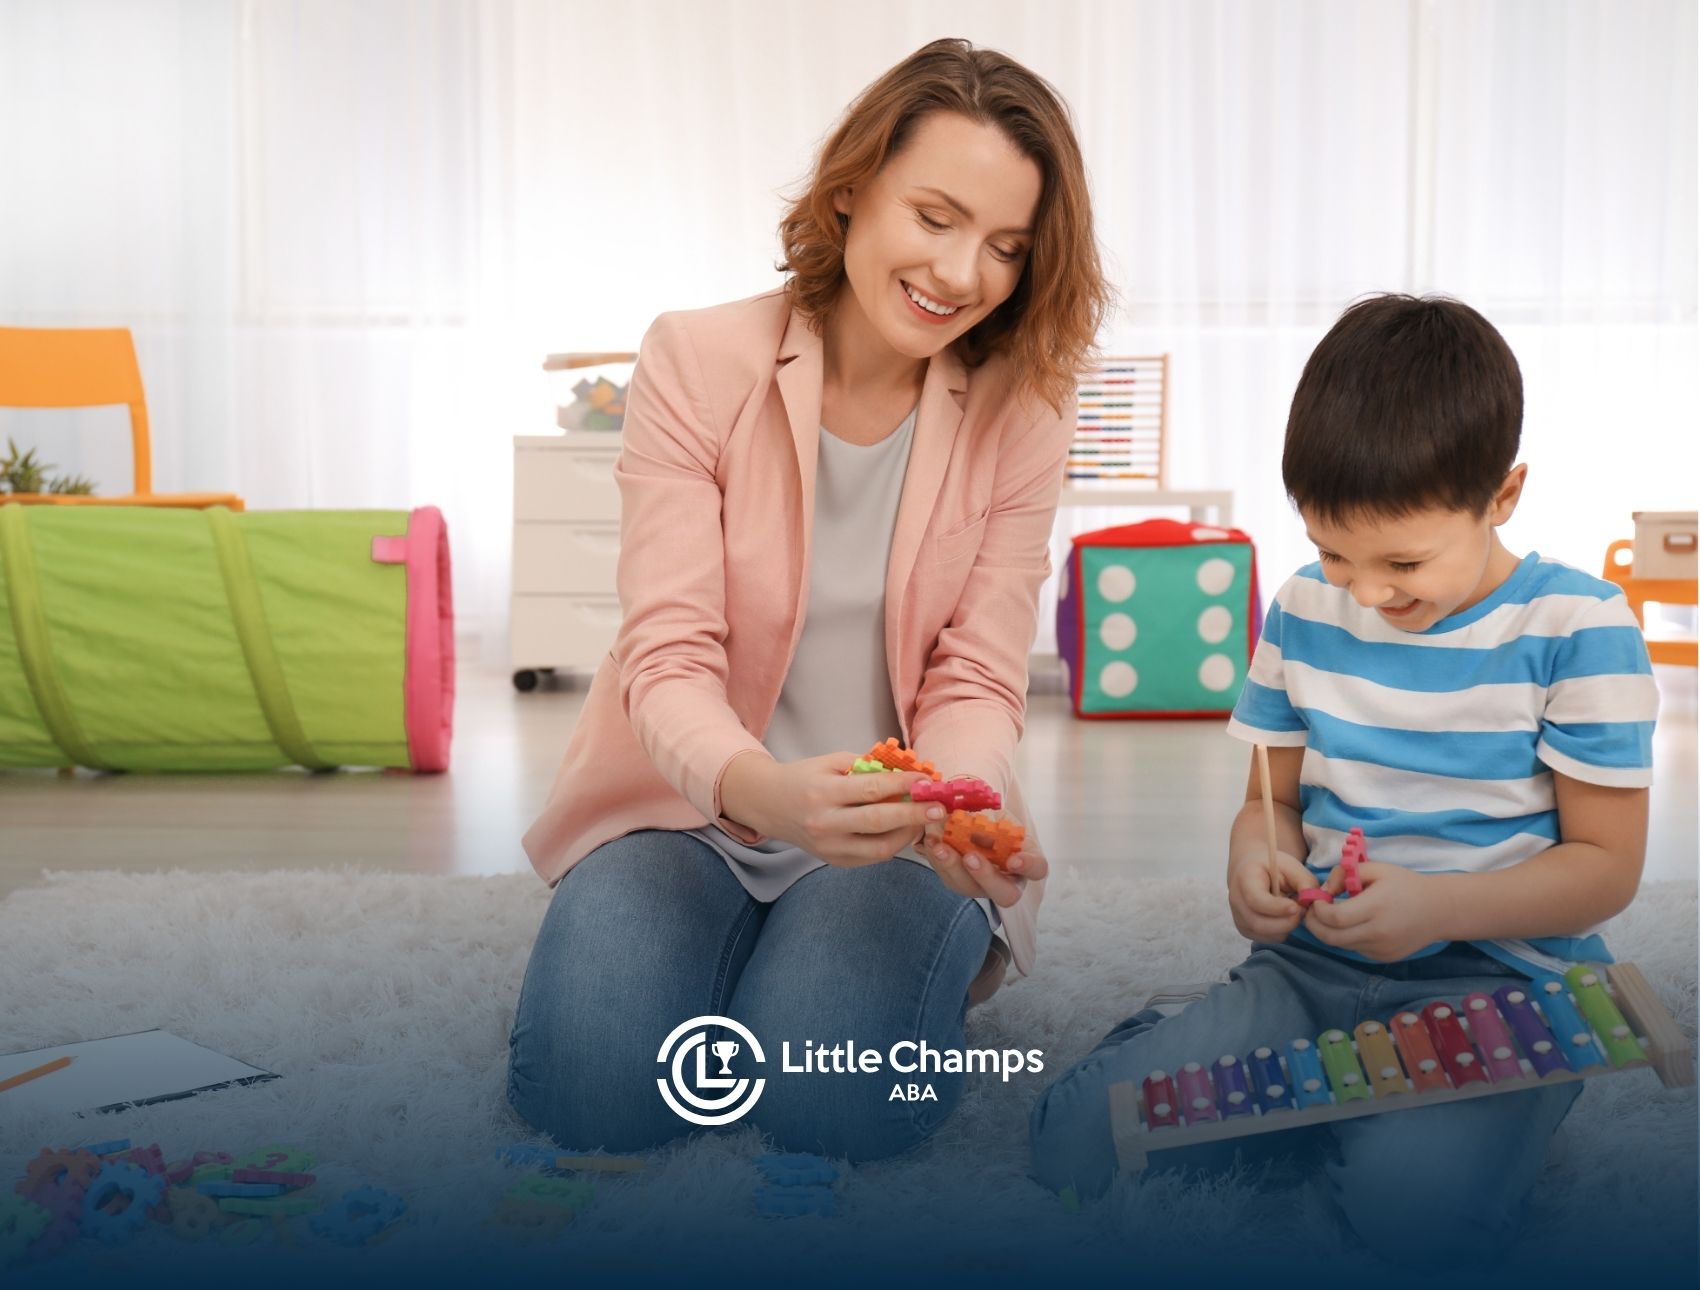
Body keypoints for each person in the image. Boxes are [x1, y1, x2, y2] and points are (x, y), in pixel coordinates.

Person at [509, 37, 1110, 1163]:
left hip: (898, 832)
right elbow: (667, 655)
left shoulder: (1021, 413)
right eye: (934, 216)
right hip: (687, 804)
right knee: (590, 1097)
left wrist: (954, 804)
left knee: (827, 1111)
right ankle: (732, 956)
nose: (962, 271)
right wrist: (764, 793)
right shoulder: (696, 361)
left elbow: (977, 672)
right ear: (851, 195)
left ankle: (800, 976)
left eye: (1005, 247)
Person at [1028, 295, 1658, 1264]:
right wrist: (1255, 865)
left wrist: (1439, 908)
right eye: (1332, 550)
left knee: (1413, 1221)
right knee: (1068, 1148)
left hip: (1501, 981)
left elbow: (1603, 869)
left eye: (1402, 560)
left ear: (1501, 494)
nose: (1363, 591)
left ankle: (1428, 1101)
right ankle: (1305, 1074)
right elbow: (1268, 804)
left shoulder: (1578, 626)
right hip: (1314, 966)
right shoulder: (1301, 605)